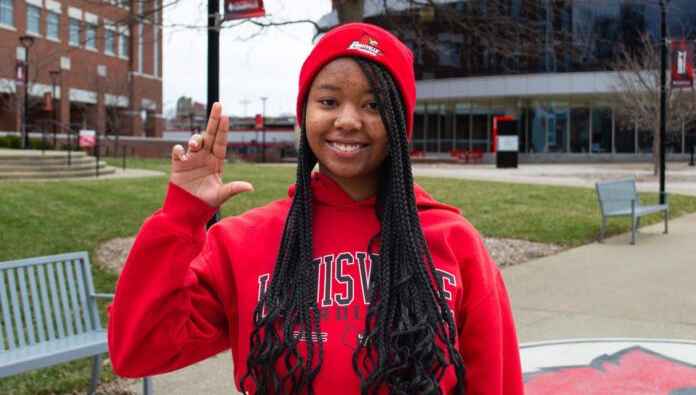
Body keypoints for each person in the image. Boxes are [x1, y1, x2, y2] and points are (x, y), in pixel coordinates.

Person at [108, 23, 523, 394]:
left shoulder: (452, 241)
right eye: (327, 101)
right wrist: (181, 217)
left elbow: (496, 383)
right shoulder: (243, 242)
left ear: (401, 120)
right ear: (304, 113)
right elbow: (138, 351)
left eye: (374, 105)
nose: (347, 120)